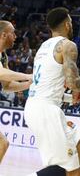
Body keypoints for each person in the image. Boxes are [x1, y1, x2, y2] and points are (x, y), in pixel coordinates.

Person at [24, 7, 80, 176]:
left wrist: (67, 95)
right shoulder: (67, 45)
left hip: (39, 106)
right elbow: (74, 83)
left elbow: (51, 83)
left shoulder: (43, 47)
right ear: (67, 24)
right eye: (71, 23)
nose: (72, 26)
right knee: (67, 170)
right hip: (46, 111)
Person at [0, 21, 33, 164]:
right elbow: (1, 73)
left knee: (3, 144)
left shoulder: (3, 56)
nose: (15, 36)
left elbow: (7, 85)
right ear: (3, 34)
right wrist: (28, 76)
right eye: (12, 32)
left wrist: (30, 84)